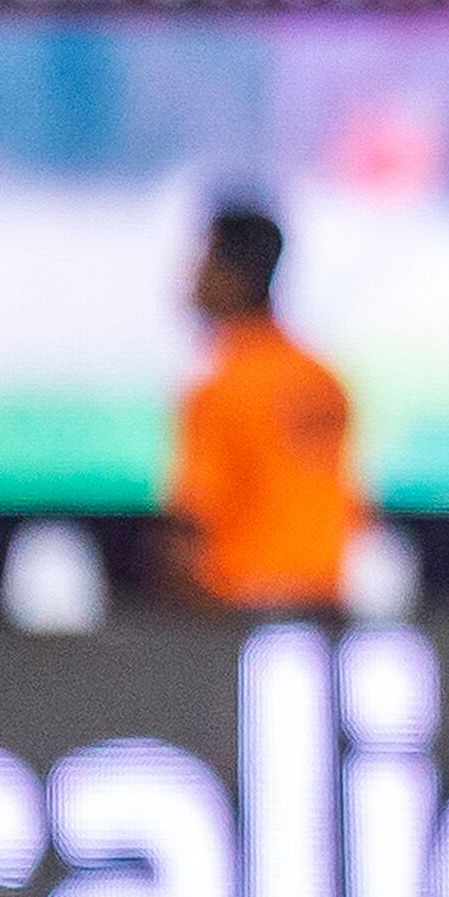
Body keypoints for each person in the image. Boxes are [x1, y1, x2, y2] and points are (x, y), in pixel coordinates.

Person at [168, 203, 362, 610]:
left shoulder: (221, 390)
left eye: (203, 262)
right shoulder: (324, 380)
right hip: (327, 603)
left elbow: (193, 524)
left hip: (241, 607)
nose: (191, 277)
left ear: (233, 277)